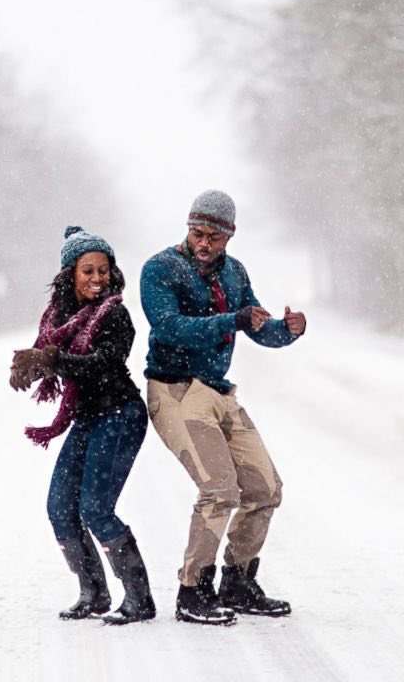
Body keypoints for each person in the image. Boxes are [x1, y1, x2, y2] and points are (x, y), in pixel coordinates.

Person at [139, 190, 306, 625]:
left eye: (215, 235)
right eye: (198, 232)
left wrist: (286, 331)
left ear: (229, 236)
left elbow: (256, 326)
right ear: (188, 227)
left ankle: (239, 580)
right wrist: (231, 320)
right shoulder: (161, 269)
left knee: (265, 489)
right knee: (219, 490)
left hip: (219, 392)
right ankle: (193, 590)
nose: (205, 243)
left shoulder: (235, 273)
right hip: (173, 390)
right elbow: (170, 327)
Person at [9, 226, 156, 625]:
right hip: (89, 418)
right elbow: (47, 352)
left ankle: (140, 600)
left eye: (103, 270)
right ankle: (92, 593)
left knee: (96, 508)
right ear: (70, 274)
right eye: (88, 271)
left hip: (121, 415)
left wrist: (53, 362)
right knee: (60, 507)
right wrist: (28, 365)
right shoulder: (60, 316)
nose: (97, 279)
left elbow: (102, 365)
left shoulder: (115, 315)